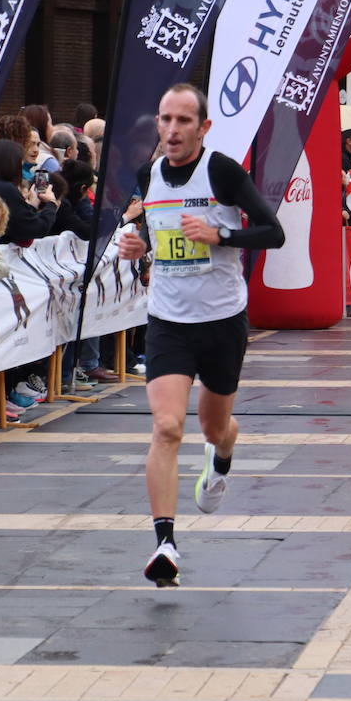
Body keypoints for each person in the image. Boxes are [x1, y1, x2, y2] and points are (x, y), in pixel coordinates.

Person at [115, 83, 285, 588]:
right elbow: (156, 236)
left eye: (183, 121)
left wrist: (221, 234)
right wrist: (136, 245)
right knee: (167, 427)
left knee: (215, 428)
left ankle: (222, 458)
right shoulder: (147, 175)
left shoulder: (222, 172)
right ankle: (165, 542)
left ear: (202, 128)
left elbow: (273, 232)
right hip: (168, 319)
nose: (171, 129)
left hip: (222, 321)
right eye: (165, 119)